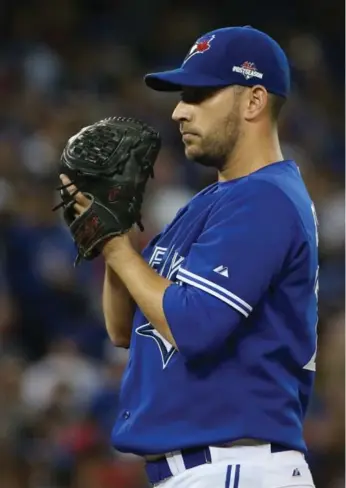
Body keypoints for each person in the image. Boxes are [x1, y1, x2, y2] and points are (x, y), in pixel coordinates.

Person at [61, 26, 318, 488]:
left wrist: (119, 248)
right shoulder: (205, 206)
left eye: (199, 94)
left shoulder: (266, 199)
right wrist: (110, 238)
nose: (179, 110)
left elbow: (192, 326)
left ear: (254, 101)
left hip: (237, 466)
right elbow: (124, 328)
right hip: (208, 469)